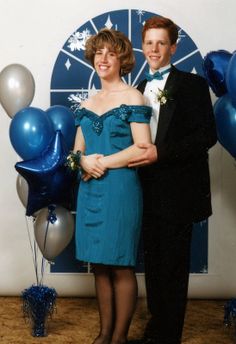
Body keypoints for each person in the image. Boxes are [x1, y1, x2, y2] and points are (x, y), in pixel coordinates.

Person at [127, 16, 217, 344]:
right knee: (152, 264)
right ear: (143, 46)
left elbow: (207, 135)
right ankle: (155, 330)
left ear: (173, 47)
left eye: (161, 43)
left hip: (179, 191)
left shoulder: (192, 86)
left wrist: (161, 154)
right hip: (144, 190)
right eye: (149, 42)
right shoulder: (135, 90)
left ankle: (169, 336)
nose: (154, 48)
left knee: (173, 268)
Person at [72, 28, 154, 344]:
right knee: (100, 267)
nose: (103, 58)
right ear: (92, 57)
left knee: (120, 265)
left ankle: (119, 337)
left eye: (111, 53)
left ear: (122, 59)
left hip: (121, 190)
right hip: (91, 189)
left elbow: (143, 148)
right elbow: (75, 152)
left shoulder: (134, 97)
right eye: (98, 52)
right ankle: (103, 334)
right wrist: (81, 162)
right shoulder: (87, 103)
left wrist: (102, 162)